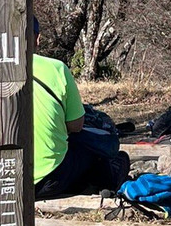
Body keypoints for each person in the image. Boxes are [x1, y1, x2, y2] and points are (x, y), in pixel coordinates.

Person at [32, 18, 128, 199]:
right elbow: (76, 125)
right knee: (89, 147)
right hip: (48, 180)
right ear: (37, 38)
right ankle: (108, 180)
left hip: (1, 178)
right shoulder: (56, 69)